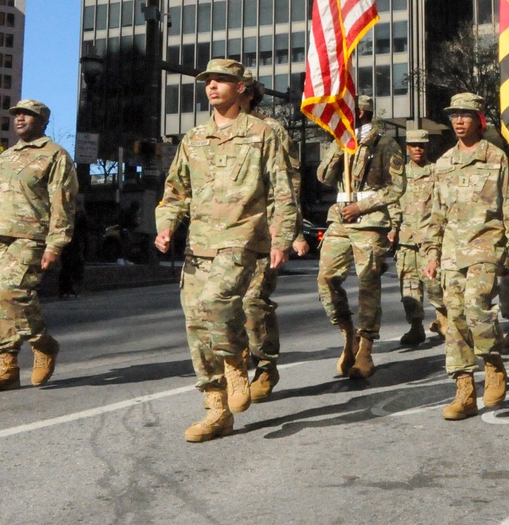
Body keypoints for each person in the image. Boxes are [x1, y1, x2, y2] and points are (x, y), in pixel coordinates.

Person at [155, 58, 298, 442]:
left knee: (218, 303)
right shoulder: (194, 138)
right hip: (199, 243)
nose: (213, 86)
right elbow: (175, 192)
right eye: (209, 81)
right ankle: (216, 410)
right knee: (196, 326)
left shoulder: (263, 134)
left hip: (242, 238)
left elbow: (282, 191)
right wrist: (166, 226)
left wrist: (282, 239)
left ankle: (236, 360)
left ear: (241, 87)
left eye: (222, 80)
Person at [424, 92, 509, 420]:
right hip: (452, 251)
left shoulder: (495, 158)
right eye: (454, 114)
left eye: (465, 115)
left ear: (479, 119)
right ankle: (465, 389)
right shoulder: (443, 163)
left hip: (486, 246)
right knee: (454, 318)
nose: (458, 120)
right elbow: (436, 213)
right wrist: (431, 252)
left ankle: (494, 366)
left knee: (475, 306)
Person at [0, 99, 78, 394]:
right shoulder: (2, 159)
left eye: (27, 115)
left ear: (42, 121)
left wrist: (55, 244)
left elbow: (63, 204)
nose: (19, 118)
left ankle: (43, 344)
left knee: (14, 292)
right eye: (16, 114)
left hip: (30, 238)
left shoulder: (55, 156)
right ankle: (6, 368)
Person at [316, 94, 405, 379]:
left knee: (368, 284)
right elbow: (324, 178)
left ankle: (365, 349)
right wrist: (336, 143)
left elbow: (397, 187)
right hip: (340, 218)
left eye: (346, 111)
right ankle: (348, 334)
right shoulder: (341, 140)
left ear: (362, 113)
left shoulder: (385, 143)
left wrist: (362, 206)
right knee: (326, 278)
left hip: (369, 221)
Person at [237, 71, 307, 402]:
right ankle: (235, 367)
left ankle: (265, 366)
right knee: (221, 306)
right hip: (223, 234)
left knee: (253, 302)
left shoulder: (271, 130)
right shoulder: (210, 132)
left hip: (263, 232)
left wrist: (288, 231)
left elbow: (288, 182)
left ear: (248, 94)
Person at [389, 129, 444, 345]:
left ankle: (444, 321)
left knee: (435, 285)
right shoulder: (400, 175)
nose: (418, 149)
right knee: (409, 287)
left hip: (430, 240)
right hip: (406, 240)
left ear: (427, 146)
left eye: (421, 145)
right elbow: (393, 202)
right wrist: (392, 227)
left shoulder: (437, 171)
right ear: (407, 148)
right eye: (413, 145)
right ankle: (416, 327)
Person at [58, 193, 88, 299]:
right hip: (75, 243)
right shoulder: (79, 214)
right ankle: (69, 289)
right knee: (73, 267)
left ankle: (65, 290)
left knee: (66, 267)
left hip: (68, 242)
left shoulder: (69, 214)